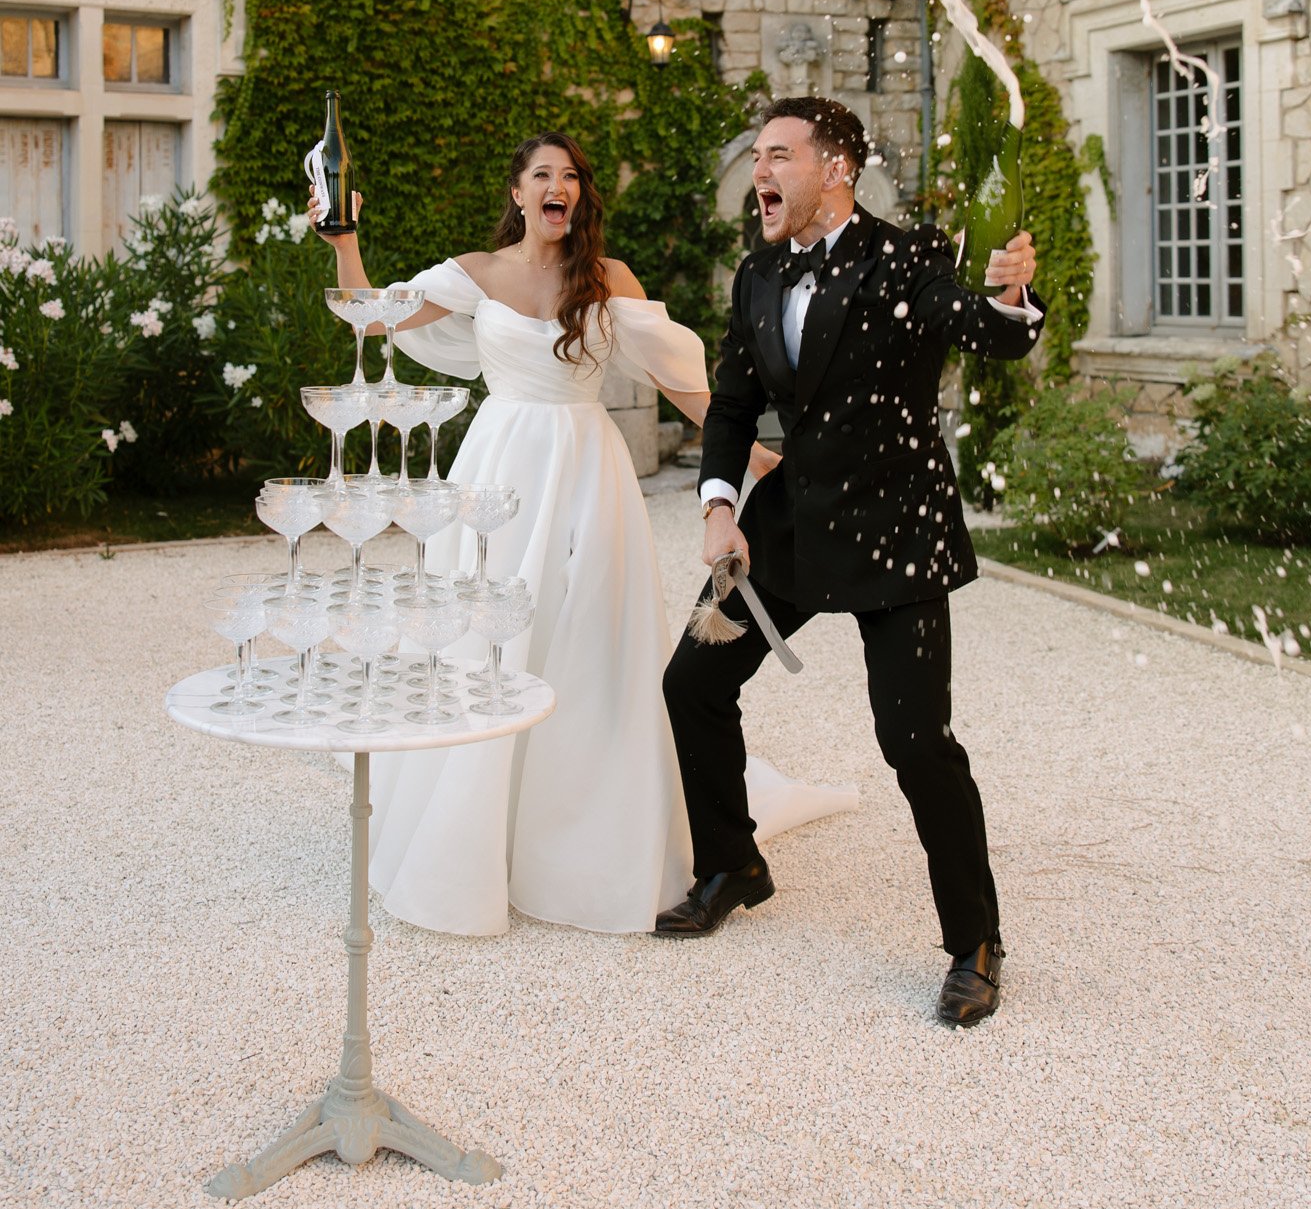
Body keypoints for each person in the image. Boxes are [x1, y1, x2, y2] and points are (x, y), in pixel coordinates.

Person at [312, 131, 854, 936]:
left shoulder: (607, 280)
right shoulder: (476, 273)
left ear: (578, 196)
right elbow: (371, 321)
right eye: (541, 175)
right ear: (519, 194)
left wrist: (758, 461)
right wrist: (343, 238)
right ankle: (474, 831)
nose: (557, 186)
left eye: (570, 176)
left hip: (584, 470)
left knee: (589, 642)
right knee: (485, 641)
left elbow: (686, 387)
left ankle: (580, 835)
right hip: (496, 468)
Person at [656, 96, 1044, 1027]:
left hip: (898, 536)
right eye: (756, 154)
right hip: (788, 531)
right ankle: (731, 863)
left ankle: (975, 942)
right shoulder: (756, 274)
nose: (760, 171)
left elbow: (985, 332)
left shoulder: (908, 256)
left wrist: (1009, 295)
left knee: (915, 743)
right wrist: (720, 509)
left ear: (835, 169)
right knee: (692, 684)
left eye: (778, 154)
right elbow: (733, 407)